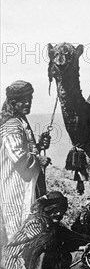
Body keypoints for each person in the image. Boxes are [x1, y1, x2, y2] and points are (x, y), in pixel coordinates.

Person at [0, 191, 89, 269]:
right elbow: (40, 246)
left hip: (32, 262)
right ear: (47, 210)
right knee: (47, 240)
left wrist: (87, 242)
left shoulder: (52, 224)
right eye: (55, 210)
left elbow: (72, 236)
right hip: (16, 262)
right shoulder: (35, 222)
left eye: (61, 211)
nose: (59, 214)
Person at [0, 81, 51, 244]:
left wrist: (38, 146)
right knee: (17, 231)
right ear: (14, 103)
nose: (28, 103)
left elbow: (25, 149)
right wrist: (39, 160)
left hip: (25, 185)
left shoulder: (20, 121)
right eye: (24, 100)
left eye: (30, 98)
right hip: (15, 188)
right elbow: (18, 157)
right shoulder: (11, 125)